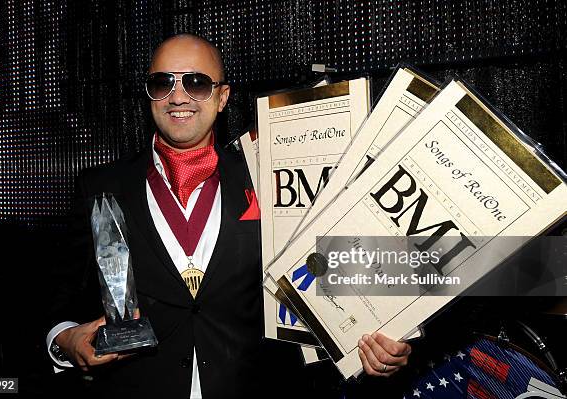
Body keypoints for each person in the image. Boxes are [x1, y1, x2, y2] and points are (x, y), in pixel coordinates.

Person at [45, 33, 412, 398]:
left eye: (197, 83)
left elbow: (326, 274)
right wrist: (64, 340)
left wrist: (372, 336)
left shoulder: (272, 180)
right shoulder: (99, 185)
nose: (178, 96)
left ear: (222, 98)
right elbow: (57, 296)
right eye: (163, 83)